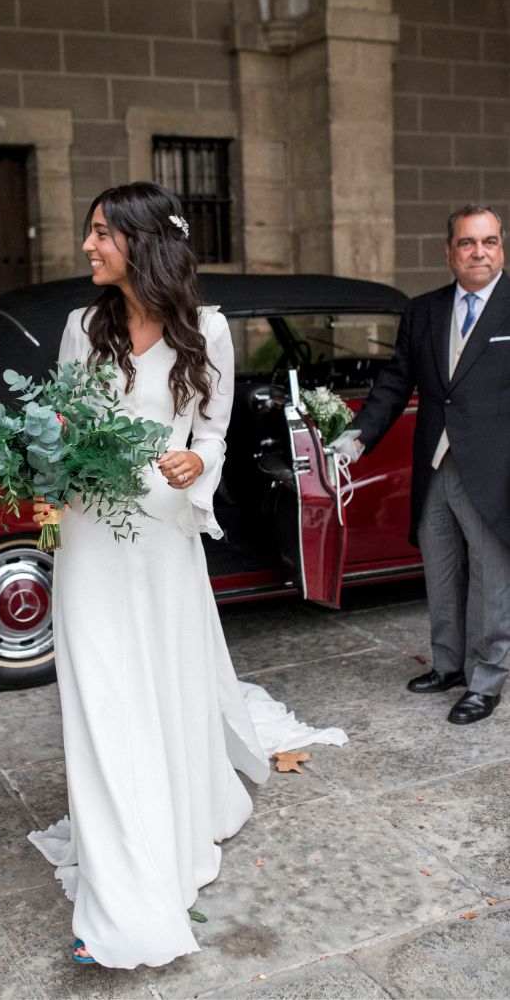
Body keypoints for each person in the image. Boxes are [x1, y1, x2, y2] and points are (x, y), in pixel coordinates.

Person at [27, 181, 347, 969]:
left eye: (102, 232)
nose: (88, 246)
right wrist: (43, 500)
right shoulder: (80, 328)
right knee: (98, 693)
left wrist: (195, 459)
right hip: (91, 539)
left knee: (159, 685)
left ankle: (167, 815)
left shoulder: (206, 330)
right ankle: (119, 880)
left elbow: (217, 429)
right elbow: (58, 425)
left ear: (143, 241)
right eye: (89, 231)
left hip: (163, 536)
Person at [341, 204, 510, 725]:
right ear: (449, 251)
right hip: (435, 461)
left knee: (490, 579)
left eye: (489, 241)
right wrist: (357, 436)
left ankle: (486, 680)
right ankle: (448, 666)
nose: (478, 252)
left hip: (495, 467)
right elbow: (395, 383)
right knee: (439, 571)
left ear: (501, 247)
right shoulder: (423, 310)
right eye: (467, 243)